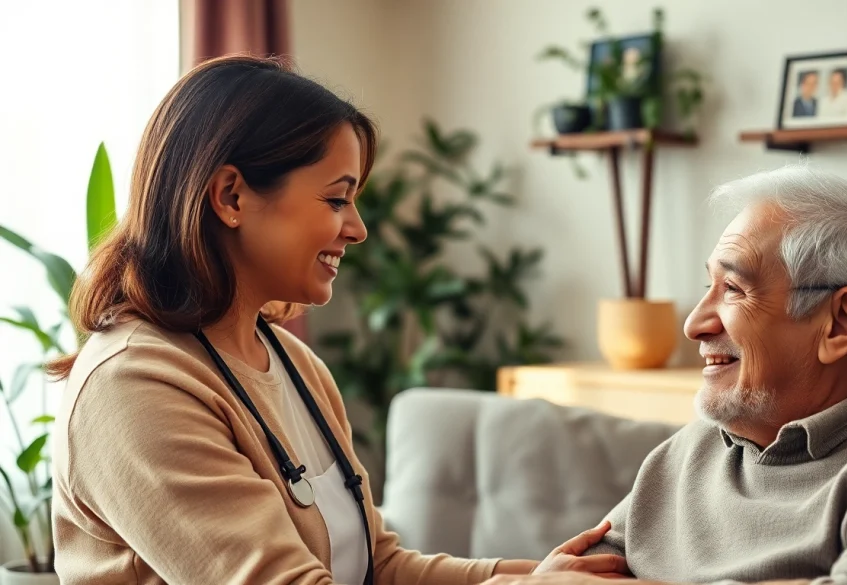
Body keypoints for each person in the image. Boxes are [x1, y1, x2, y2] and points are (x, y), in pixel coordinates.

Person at [49, 55, 627, 584]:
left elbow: (381, 566)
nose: (358, 228)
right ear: (230, 197)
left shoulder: (295, 366)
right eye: (335, 199)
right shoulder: (134, 386)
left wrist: (536, 575)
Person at [480, 165, 847, 585]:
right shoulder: (691, 451)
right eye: (708, 287)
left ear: (839, 322)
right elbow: (579, 574)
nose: (694, 323)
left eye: (734, 289)